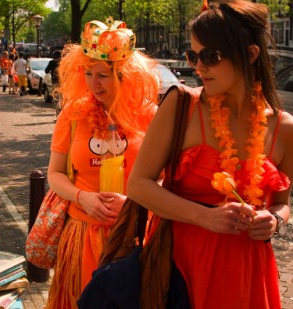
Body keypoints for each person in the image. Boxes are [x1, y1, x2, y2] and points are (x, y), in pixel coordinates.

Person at [127, 1, 292, 308]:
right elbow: (137, 185)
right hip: (182, 269)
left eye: (210, 56)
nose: (198, 66)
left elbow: (282, 204)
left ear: (251, 54)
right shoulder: (181, 106)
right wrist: (206, 217)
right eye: (193, 55)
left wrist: (274, 220)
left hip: (248, 275)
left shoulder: (284, 127)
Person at [45, 18, 159, 308]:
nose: (93, 84)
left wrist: (135, 203)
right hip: (82, 234)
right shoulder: (72, 113)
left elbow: (166, 179)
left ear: (125, 75)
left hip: (134, 237)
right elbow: (55, 174)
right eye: (87, 73)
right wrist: (83, 197)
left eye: (103, 75)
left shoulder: (151, 115)